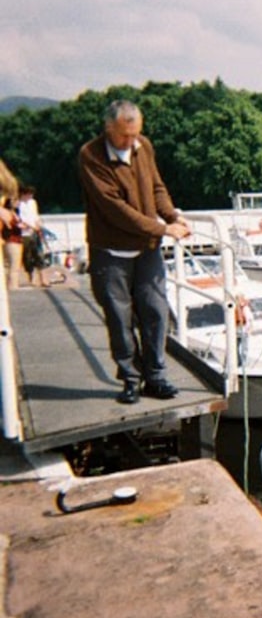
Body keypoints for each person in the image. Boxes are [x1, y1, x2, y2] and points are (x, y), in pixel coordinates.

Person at [79, 99, 191, 405]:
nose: (130, 142)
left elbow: (156, 186)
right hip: (110, 251)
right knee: (119, 316)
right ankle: (130, 379)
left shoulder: (144, 146)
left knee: (156, 311)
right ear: (108, 129)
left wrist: (172, 215)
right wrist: (163, 229)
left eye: (135, 134)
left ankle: (155, 376)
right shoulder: (90, 155)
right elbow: (116, 210)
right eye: (123, 136)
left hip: (146, 249)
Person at [17, 186, 51, 287]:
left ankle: (43, 279)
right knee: (27, 257)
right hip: (24, 233)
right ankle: (30, 278)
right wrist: (29, 226)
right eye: (28, 194)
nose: (30, 196)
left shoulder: (33, 202)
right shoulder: (18, 204)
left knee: (39, 255)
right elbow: (19, 219)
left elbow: (35, 215)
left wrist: (38, 225)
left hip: (34, 232)